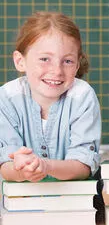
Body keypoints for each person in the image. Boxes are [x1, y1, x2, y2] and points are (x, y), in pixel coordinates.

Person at [0, 12, 101, 182]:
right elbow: (6, 165)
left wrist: (45, 166)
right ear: (20, 61)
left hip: (73, 203)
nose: (57, 71)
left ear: (77, 64)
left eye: (67, 61)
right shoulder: (7, 97)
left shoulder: (83, 96)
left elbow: (82, 166)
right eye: (45, 59)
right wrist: (21, 170)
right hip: (21, 204)